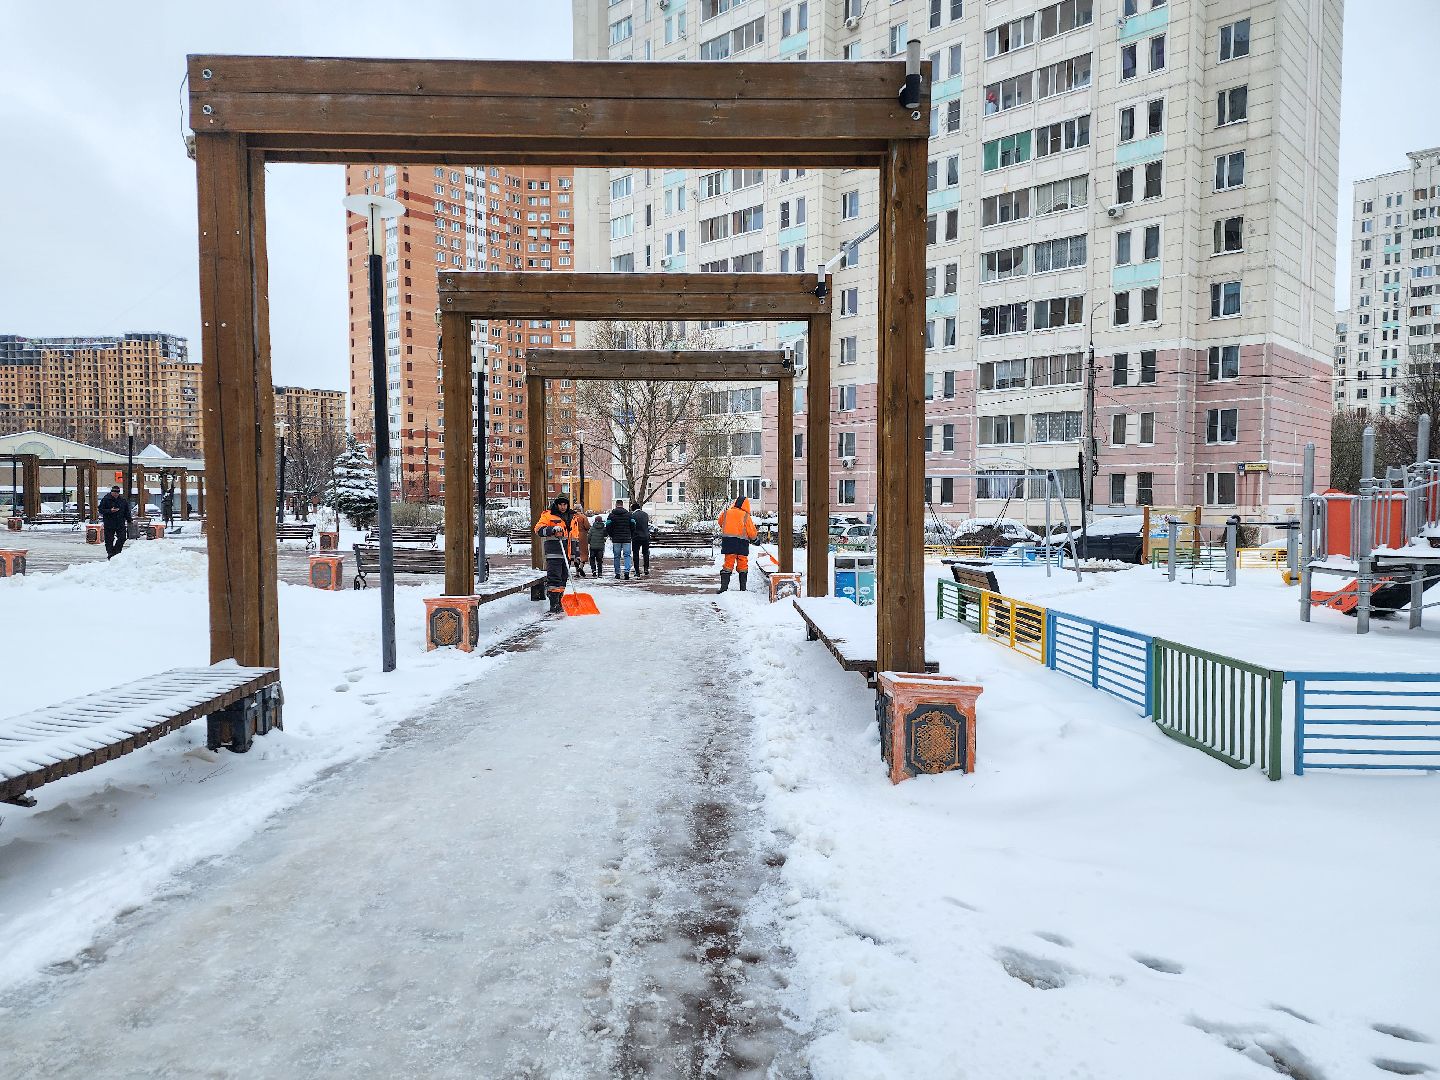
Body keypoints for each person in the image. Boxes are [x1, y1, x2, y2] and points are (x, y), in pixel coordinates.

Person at [534, 495, 585, 614]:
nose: (563, 507)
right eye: (560, 504)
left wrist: (576, 555)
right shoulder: (548, 515)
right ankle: (553, 605)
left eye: (565, 504)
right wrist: (552, 529)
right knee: (554, 579)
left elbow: (575, 537)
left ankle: (559, 602)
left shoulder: (573, 517)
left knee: (563, 579)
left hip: (567, 554)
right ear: (556, 504)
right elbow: (538, 529)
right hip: (554, 552)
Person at [717, 494, 758, 593]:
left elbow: (720, 522)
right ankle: (743, 588)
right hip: (742, 543)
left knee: (728, 564)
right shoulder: (745, 516)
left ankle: (724, 588)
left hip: (728, 542)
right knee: (742, 564)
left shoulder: (727, 513)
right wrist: (755, 539)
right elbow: (751, 531)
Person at [99, 484, 132, 560]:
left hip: (120, 523)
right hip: (109, 523)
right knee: (109, 540)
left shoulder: (122, 500)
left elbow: (126, 511)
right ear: (111, 492)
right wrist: (110, 511)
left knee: (122, 538)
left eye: (117, 493)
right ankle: (110, 553)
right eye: (114, 493)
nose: (116, 494)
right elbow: (101, 510)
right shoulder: (106, 499)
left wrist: (129, 519)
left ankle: (116, 552)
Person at [605, 499, 635, 580]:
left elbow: (608, 526)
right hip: (626, 538)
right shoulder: (629, 515)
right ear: (622, 505)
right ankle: (626, 572)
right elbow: (633, 525)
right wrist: (630, 534)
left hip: (616, 539)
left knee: (616, 556)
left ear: (616, 505)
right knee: (627, 555)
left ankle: (617, 573)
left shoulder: (611, 515)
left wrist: (611, 535)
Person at [630, 501, 652, 578]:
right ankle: (646, 568)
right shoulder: (645, 514)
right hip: (646, 536)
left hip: (636, 537)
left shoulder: (632, 515)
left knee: (636, 554)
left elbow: (632, 526)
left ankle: (637, 571)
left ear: (633, 509)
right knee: (645, 553)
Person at [570, 510, 590, 578]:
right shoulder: (583, 517)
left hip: (573, 536)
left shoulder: (572, 517)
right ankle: (581, 567)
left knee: (576, 553)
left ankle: (577, 572)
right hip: (582, 536)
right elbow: (587, 526)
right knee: (583, 553)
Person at [588, 511, 607, 576]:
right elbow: (605, 536)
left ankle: (593, 570)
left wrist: (589, 542)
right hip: (600, 547)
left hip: (593, 547)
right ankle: (600, 572)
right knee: (599, 560)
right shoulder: (603, 528)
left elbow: (589, 536)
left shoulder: (592, 528)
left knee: (592, 559)